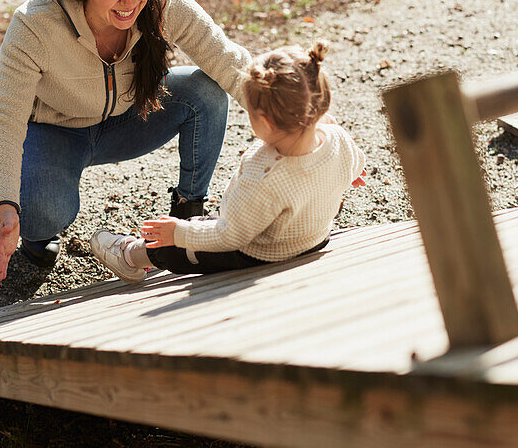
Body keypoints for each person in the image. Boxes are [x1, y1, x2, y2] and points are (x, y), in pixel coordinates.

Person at [0, 0, 253, 284]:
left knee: (204, 90)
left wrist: (305, 123)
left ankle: (189, 211)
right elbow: (5, 116)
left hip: (127, 120)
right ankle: (35, 234)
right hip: (57, 130)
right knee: (41, 213)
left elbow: (228, 61)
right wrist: (6, 204)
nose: (129, 1)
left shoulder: (160, 1)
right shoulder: (34, 24)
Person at [90, 41, 367, 282]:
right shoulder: (336, 139)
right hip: (312, 239)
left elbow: (229, 236)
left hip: (257, 251)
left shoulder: (265, 173)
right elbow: (356, 165)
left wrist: (181, 233)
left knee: (176, 245)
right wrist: (349, 172)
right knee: (212, 223)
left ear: (266, 121)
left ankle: (131, 257)